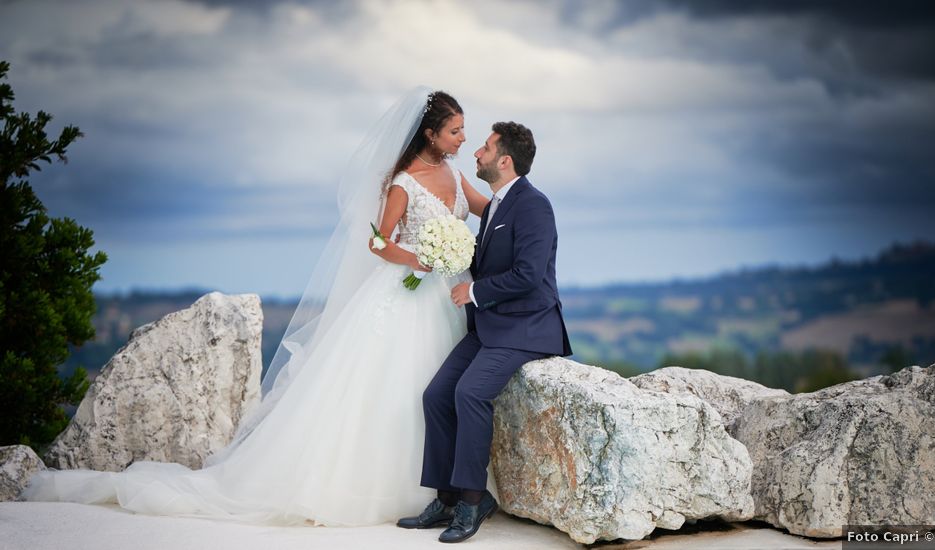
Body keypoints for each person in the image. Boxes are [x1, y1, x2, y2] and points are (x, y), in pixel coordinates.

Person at [21, 87, 492, 527]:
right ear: (430, 133)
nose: (463, 138)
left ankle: (454, 487)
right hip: (406, 293)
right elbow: (376, 241)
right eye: (455, 130)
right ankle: (405, 490)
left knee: (437, 388)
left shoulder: (454, 172)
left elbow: (485, 209)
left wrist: (502, 211)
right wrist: (418, 258)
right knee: (395, 388)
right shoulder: (403, 182)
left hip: (447, 296)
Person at [397, 122, 572, 543]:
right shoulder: (495, 205)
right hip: (491, 326)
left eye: (486, 147)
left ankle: (473, 503)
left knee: (469, 393)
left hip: (526, 327)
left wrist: (474, 290)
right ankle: (449, 497)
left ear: (504, 160)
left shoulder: (533, 205)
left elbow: (530, 276)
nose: (476, 152)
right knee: (436, 395)